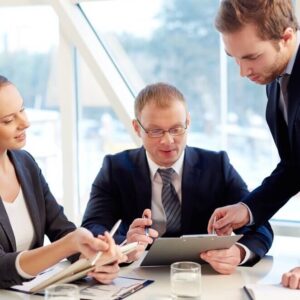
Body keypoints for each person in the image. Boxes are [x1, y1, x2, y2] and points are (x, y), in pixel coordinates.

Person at [82, 82, 273, 275]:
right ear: (137, 128)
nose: (167, 141)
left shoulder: (216, 166)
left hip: (202, 275)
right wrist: (124, 246)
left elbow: (260, 226)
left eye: (176, 129)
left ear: (188, 123)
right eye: (155, 131)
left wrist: (239, 253)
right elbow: (91, 228)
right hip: (135, 274)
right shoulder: (116, 168)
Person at [207, 0, 300, 289]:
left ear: (286, 37)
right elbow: (296, 166)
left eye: (251, 57)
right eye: (233, 58)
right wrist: (246, 210)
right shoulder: (277, 81)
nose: (243, 71)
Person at [0, 75, 125, 289]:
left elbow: (63, 230)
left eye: (22, 110)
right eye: (9, 120)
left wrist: (94, 259)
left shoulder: (25, 164)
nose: (26, 123)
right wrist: (67, 245)